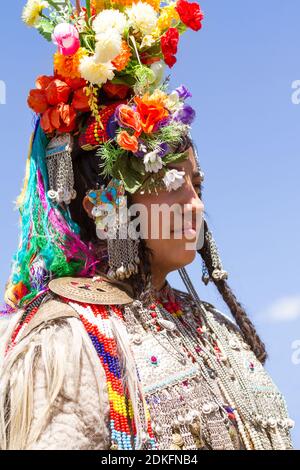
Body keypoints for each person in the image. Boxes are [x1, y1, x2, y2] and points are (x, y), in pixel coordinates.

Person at [0, 0, 294, 450]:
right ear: (110, 197)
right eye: (173, 181)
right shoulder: (68, 344)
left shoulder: (216, 328)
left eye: (198, 185)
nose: (194, 205)